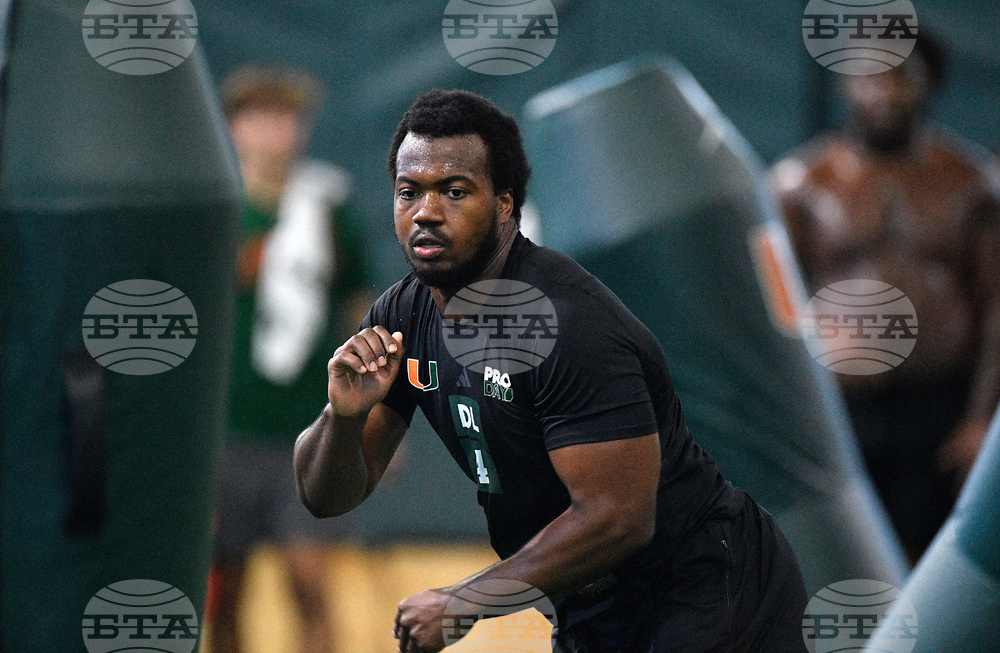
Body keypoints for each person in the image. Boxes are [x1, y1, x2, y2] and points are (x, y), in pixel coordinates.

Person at [294, 89, 808, 653]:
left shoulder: (566, 322)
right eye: (408, 192)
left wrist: (465, 600)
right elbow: (328, 497)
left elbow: (618, 517)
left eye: (455, 192)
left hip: (706, 589)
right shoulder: (402, 313)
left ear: (506, 204)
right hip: (592, 604)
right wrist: (342, 418)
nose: (425, 212)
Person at [770, 34, 1000, 562]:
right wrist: (794, 416)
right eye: (869, 77)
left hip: (940, 409)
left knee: (926, 564)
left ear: (929, 86)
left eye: (900, 78)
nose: (884, 94)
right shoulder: (801, 183)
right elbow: (778, 308)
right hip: (838, 413)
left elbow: (996, 306)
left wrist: (982, 418)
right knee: (836, 560)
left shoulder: (971, 182)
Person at [208, 66, 371, 653]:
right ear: (233, 127)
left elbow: (361, 310)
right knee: (227, 592)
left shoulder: (327, 210)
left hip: (309, 431)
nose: (277, 132)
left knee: (310, 584)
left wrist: (372, 414)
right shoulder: (212, 212)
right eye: (262, 118)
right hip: (225, 432)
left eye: (289, 118)